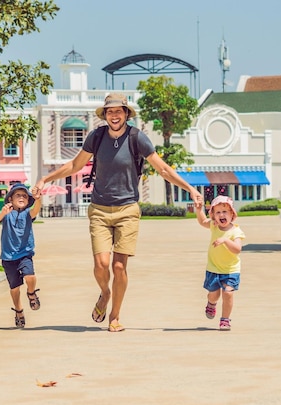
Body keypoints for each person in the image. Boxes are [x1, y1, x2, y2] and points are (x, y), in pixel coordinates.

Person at [31, 93, 203, 332]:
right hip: (100, 209)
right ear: (106, 115)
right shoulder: (96, 137)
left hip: (128, 210)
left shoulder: (137, 138)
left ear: (125, 114)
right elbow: (75, 165)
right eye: (110, 111)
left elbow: (162, 169)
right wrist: (45, 179)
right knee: (101, 264)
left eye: (118, 111)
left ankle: (115, 316)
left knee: (119, 267)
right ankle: (104, 293)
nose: (114, 115)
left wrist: (190, 189)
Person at [0, 183, 42, 329]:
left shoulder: (27, 213)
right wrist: (2, 213)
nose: (21, 197)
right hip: (8, 257)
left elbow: (35, 210)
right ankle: (19, 310)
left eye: (25, 196)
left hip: (25, 253)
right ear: (10, 199)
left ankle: (31, 293)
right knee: (14, 287)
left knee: (30, 277)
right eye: (18, 195)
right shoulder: (7, 214)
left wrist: (37, 199)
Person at [194, 195, 245, 331]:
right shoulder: (214, 227)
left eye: (225, 211)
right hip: (213, 268)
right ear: (214, 216)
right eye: (217, 212)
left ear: (232, 214)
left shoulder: (236, 231)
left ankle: (225, 320)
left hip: (230, 270)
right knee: (214, 294)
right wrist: (199, 210)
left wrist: (225, 240)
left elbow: (237, 249)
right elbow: (202, 221)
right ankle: (211, 303)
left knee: (228, 293)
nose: (221, 215)